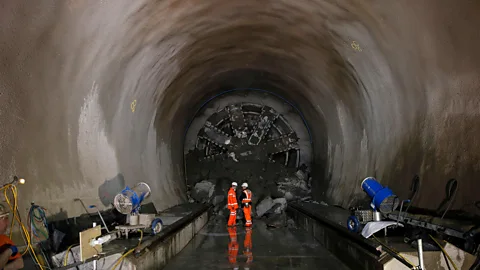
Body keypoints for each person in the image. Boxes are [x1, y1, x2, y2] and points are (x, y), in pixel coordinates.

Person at [0, 204, 23, 269]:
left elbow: (20, 263)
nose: (7, 223)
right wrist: (8, 252)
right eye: (5, 218)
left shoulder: (4, 240)